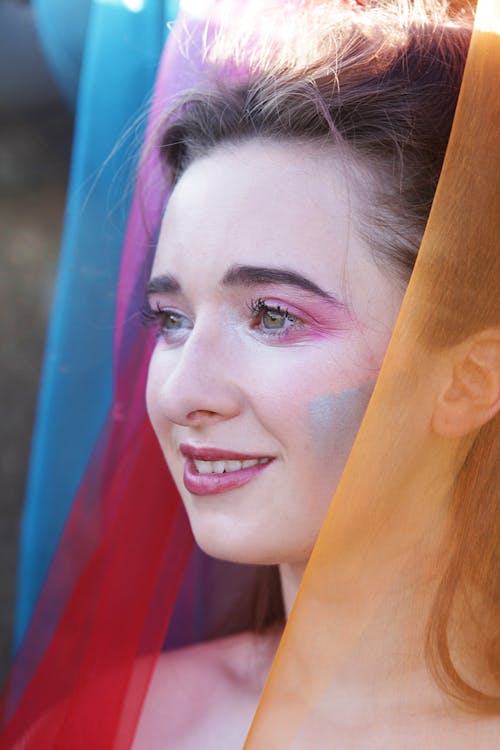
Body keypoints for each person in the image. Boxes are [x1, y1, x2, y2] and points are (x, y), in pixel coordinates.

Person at [1, 1, 498, 748]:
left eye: (271, 315)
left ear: (469, 379)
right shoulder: (118, 726)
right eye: (171, 320)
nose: (180, 394)